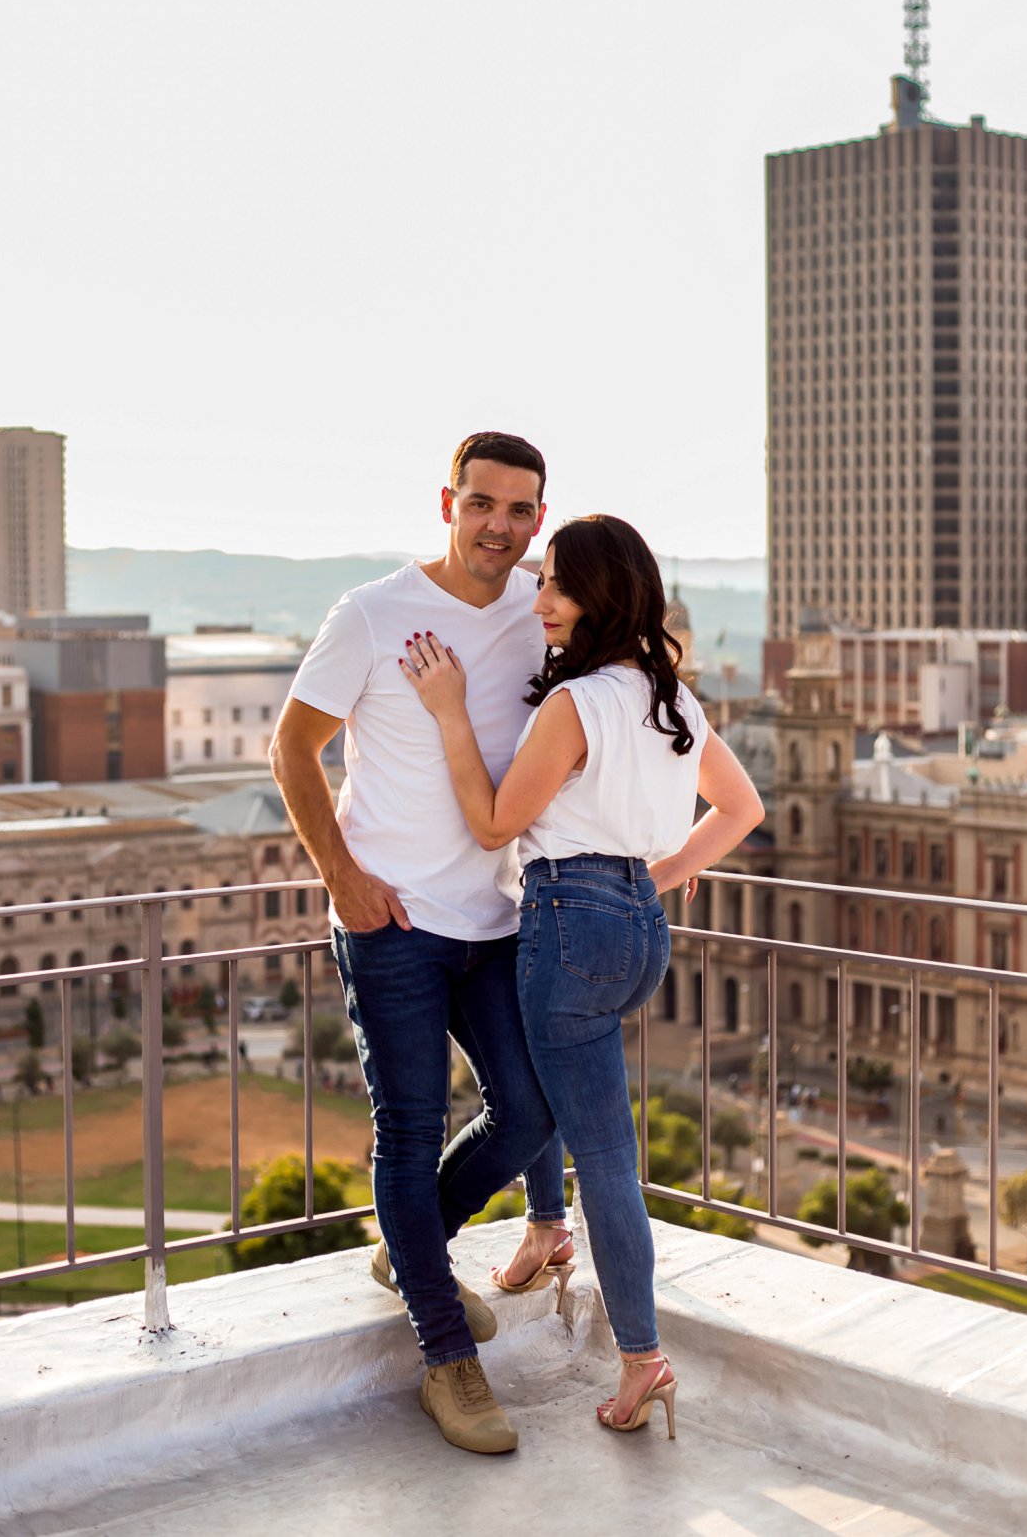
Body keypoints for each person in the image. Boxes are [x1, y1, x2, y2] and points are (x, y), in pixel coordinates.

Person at [402, 514, 765, 1438]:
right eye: (542, 582)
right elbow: (741, 807)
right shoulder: (670, 697)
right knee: (545, 1079)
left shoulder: (575, 705)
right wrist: (656, 876)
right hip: (638, 926)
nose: (542, 601)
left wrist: (448, 710)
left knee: (606, 1154)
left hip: (567, 917)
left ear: (604, 595)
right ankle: (543, 1229)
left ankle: (642, 1356)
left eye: (560, 584)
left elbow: (494, 823)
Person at [270, 431, 565, 1456]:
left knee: (531, 1108)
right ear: (448, 503)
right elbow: (291, 749)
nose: (499, 526)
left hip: (497, 918)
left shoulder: (540, 614)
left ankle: (414, 1248)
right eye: (482, 503)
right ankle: (448, 1357)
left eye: (519, 510)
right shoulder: (371, 612)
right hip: (391, 922)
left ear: (538, 517)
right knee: (407, 1128)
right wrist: (342, 879)